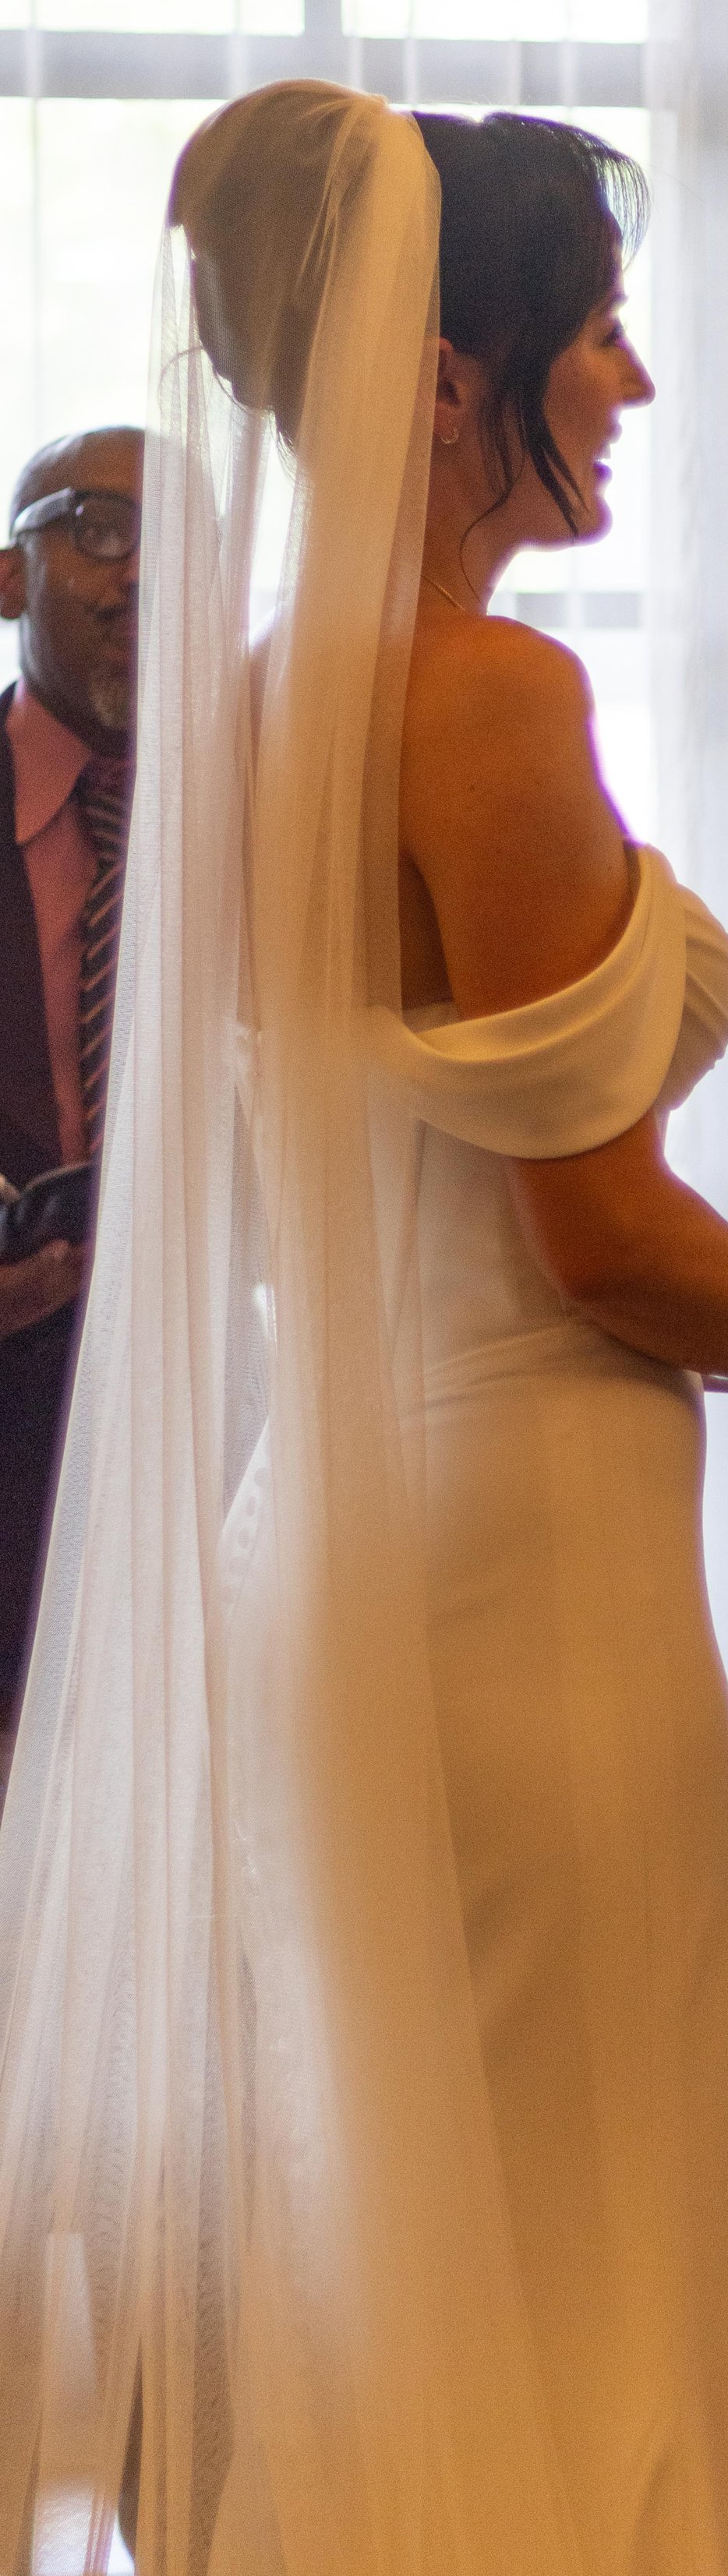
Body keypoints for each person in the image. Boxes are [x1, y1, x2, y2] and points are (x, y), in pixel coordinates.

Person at [0, 86, 728, 2576]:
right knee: (590, 2247)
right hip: (520, 1563)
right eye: (598, 332)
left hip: (320, 1557)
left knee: (404, 2272)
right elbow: (610, 1246)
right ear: (454, 385)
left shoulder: (229, 706)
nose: (641, 380)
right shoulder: (486, 703)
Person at [0, 428, 140, 1718]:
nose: (142, 572)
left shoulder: (258, 823)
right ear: (8, 577)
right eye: (100, 526)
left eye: (176, 542)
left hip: (189, 1449)